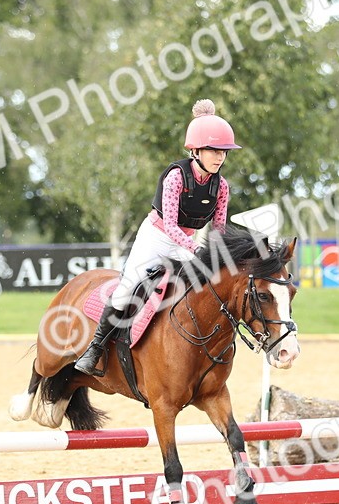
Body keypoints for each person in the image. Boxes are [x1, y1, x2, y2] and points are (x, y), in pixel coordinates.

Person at [74, 99, 240, 376]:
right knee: (128, 288)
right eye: (213, 150)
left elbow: (219, 229)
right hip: (157, 236)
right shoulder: (176, 177)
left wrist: (215, 254)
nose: (220, 156)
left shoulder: (221, 186)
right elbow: (172, 227)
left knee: (210, 286)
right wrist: (196, 248)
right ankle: (96, 348)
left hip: (188, 241)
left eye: (224, 151)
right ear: (195, 150)